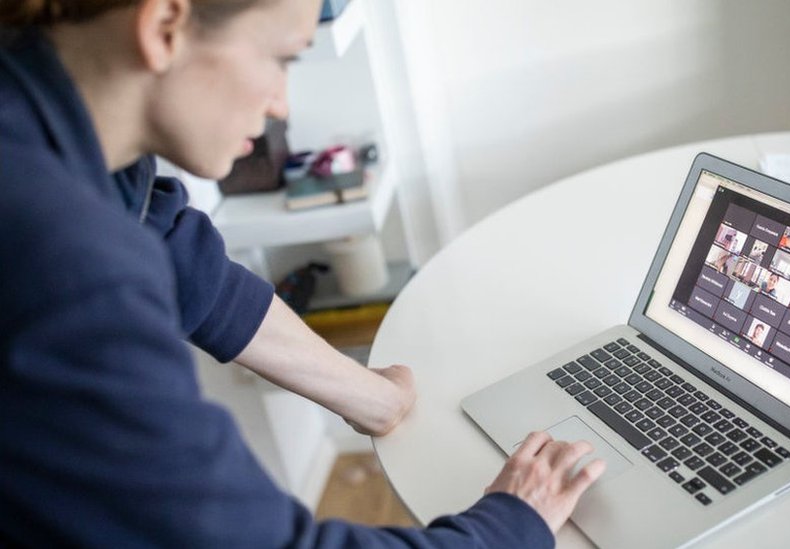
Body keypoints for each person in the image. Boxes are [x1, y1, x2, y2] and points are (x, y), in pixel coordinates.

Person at [0, 0, 604, 546]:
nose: (281, 104)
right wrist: (513, 521)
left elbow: (177, 255)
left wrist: (371, 395)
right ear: (164, 27)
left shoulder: (51, 121)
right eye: (280, 58)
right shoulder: (63, 262)